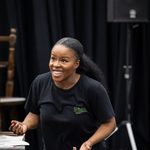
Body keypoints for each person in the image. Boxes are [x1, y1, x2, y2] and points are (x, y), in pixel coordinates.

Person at [9, 37, 116, 150]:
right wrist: (25, 125)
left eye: (64, 60)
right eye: (53, 58)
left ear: (76, 64)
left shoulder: (93, 88)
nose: (55, 64)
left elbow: (110, 123)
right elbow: (35, 114)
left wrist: (88, 143)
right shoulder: (40, 83)